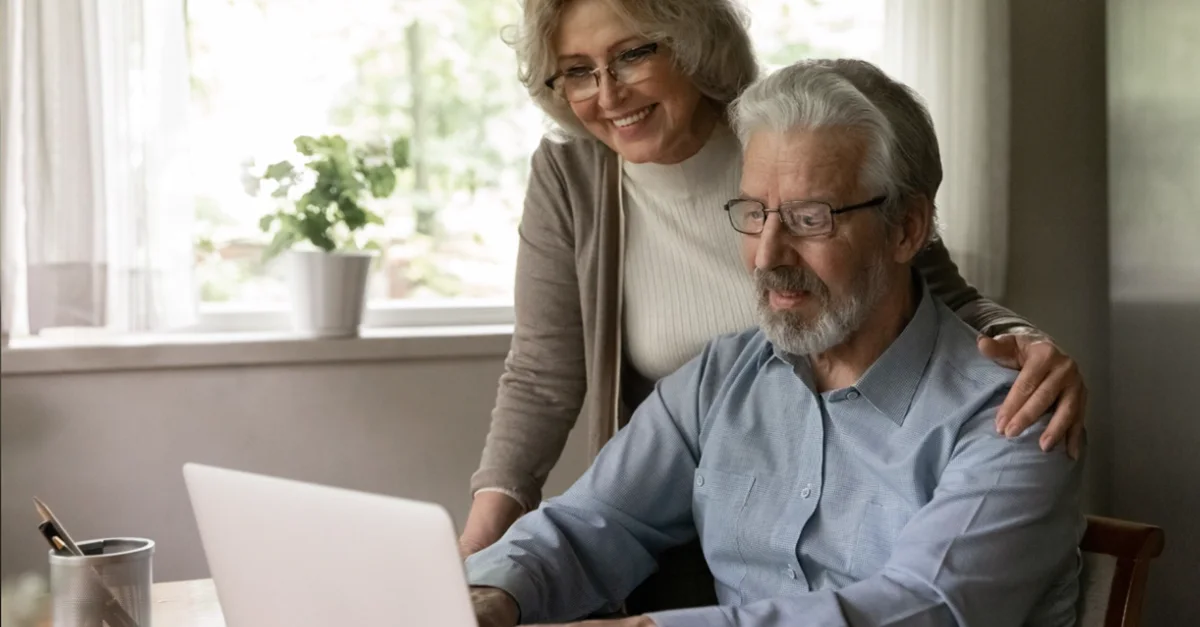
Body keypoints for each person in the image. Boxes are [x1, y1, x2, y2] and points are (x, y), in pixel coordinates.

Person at [463, 0, 1088, 608]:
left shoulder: (1005, 415)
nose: (766, 256)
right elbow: (585, 522)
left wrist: (1027, 344)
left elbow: (922, 606)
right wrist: (486, 590)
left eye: (809, 218)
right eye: (752, 212)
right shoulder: (718, 381)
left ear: (904, 230)